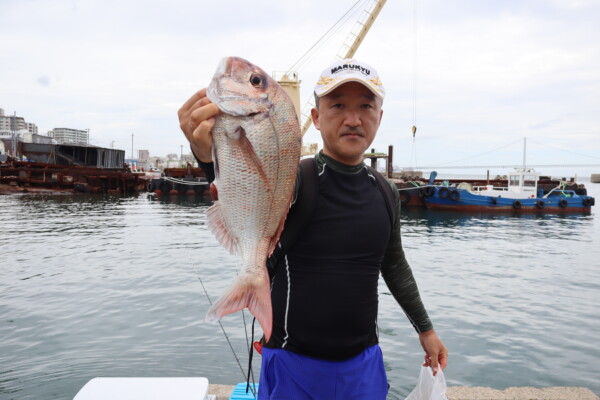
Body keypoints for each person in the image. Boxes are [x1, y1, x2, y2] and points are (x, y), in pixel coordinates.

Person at [178, 58, 448, 400]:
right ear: (316, 118)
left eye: (366, 106)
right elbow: (245, 189)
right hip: (292, 363)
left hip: (364, 364)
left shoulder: (385, 191)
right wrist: (205, 155)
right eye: (338, 106)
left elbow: (393, 264)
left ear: (379, 116)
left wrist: (425, 330)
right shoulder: (293, 179)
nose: (353, 119)